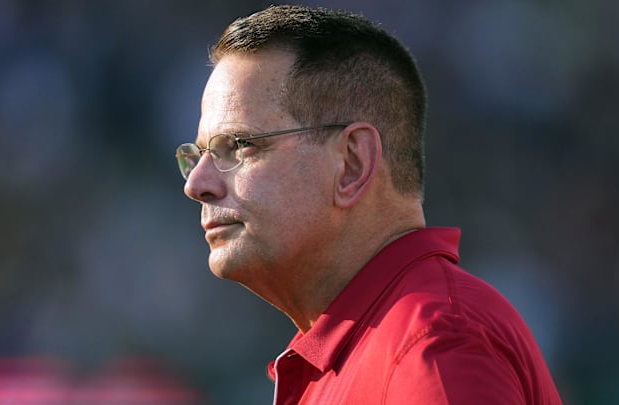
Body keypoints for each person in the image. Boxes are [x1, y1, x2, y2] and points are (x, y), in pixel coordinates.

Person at [176, 4, 562, 404]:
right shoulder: (381, 343)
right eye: (198, 155)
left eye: (237, 146)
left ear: (352, 164)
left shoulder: (432, 343)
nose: (197, 184)